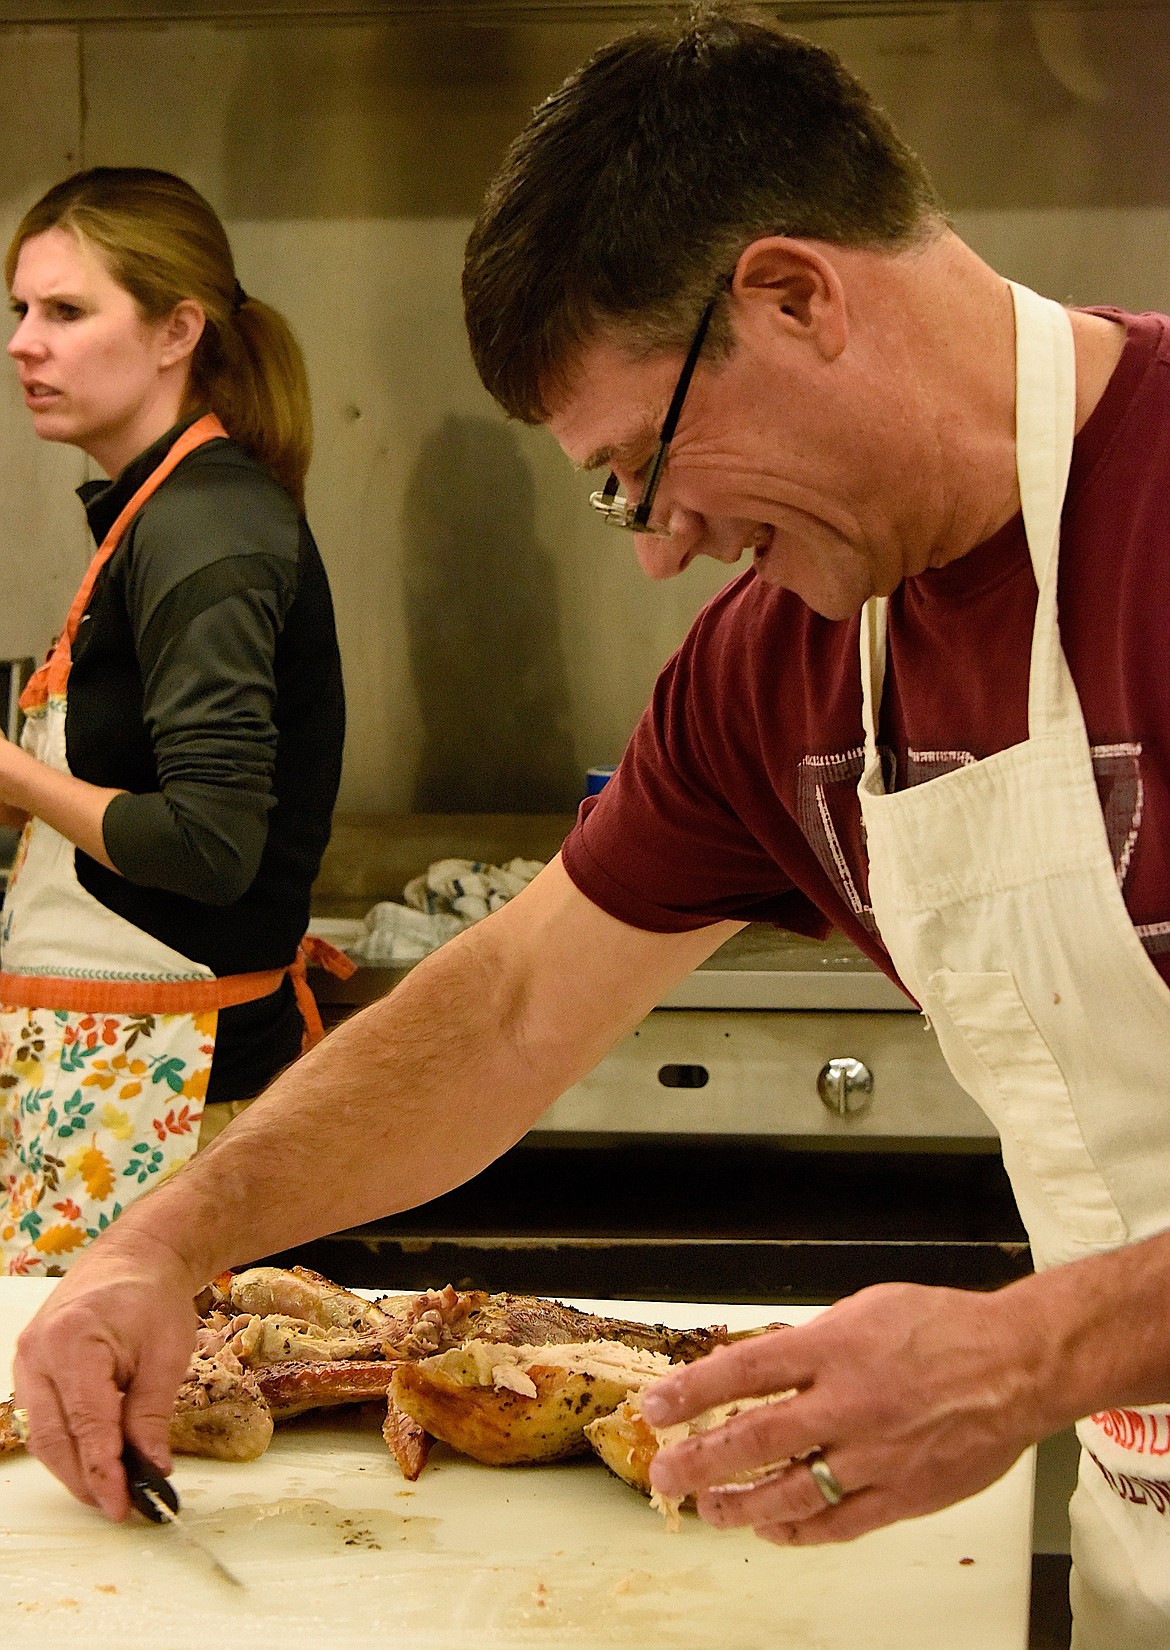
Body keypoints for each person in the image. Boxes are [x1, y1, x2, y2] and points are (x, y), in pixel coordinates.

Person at [9, 14, 1170, 1645]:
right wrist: (161, 1242)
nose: (656, 552)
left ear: (795, 296)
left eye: (645, 469)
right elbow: (501, 1010)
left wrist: (1032, 1350)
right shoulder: (775, 676)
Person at [0, 168, 346, 1274]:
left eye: (65, 311)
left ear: (176, 331)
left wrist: (13, 777)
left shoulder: (207, 528)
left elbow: (208, 845)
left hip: (177, 1097)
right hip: (111, 1079)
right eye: (19, 311)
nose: (23, 345)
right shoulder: (155, 513)